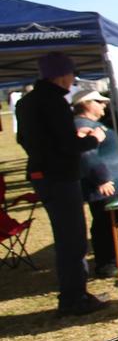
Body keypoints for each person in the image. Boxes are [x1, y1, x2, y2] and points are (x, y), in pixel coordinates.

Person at [14, 52, 109, 316]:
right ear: (62, 75)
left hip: (41, 174)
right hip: (60, 176)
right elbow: (67, 145)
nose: (71, 82)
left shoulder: (26, 102)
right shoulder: (54, 102)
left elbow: (24, 139)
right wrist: (93, 139)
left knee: (67, 237)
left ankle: (76, 292)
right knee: (73, 239)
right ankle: (74, 298)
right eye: (71, 76)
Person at [71, 89, 118, 278]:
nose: (103, 105)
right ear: (87, 104)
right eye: (98, 101)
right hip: (102, 186)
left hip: (109, 184)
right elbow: (86, 154)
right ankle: (106, 263)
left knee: (110, 221)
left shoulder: (91, 124)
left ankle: (111, 258)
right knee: (104, 224)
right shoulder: (81, 125)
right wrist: (101, 178)